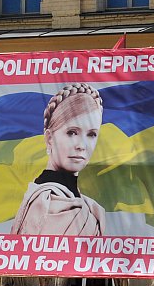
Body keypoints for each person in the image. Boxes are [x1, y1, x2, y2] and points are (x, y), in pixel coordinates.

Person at [11, 82, 106, 236]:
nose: (82, 145)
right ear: (49, 138)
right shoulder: (45, 201)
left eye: (91, 134)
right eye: (72, 132)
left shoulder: (88, 207)